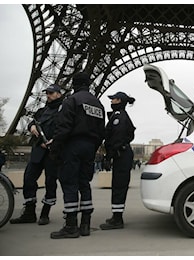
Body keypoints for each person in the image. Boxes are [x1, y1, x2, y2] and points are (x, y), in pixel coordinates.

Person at [49, 72, 105, 239]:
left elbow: (63, 127)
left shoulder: (71, 101)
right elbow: (101, 131)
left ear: (74, 84)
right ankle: (85, 223)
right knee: (84, 183)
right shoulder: (98, 104)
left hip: (72, 145)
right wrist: (93, 147)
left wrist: (56, 149)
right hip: (89, 146)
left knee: (69, 182)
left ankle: (71, 225)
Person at [10, 84, 63, 225]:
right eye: (47, 93)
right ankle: (29, 212)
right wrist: (31, 126)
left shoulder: (64, 110)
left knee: (50, 183)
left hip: (53, 152)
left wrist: (55, 141)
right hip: (38, 150)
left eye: (51, 93)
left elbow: (66, 128)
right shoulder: (42, 110)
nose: (48, 95)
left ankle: (45, 213)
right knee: (28, 179)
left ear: (59, 94)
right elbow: (33, 123)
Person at [100, 91, 136, 230]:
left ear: (119, 101)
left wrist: (109, 155)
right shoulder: (120, 115)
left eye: (113, 99)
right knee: (118, 184)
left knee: (119, 185)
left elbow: (116, 137)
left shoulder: (119, 117)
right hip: (122, 153)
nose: (111, 101)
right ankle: (116, 215)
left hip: (120, 154)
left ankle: (117, 218)